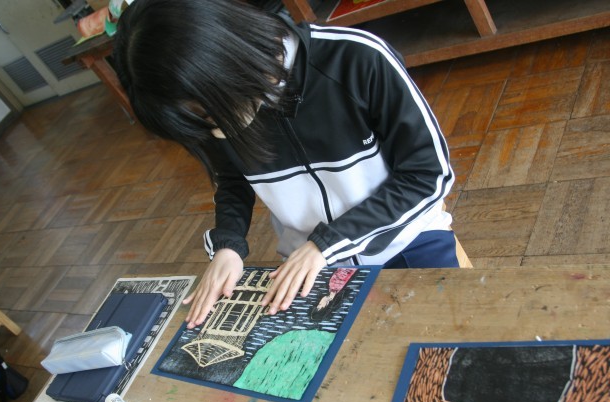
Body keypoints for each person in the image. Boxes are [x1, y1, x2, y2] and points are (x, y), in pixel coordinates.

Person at [113, 0, 457, 329]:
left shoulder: (355, 58)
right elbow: (232, 179)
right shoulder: (210, 107)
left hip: (405, 239)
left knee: (443, 338)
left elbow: (428, 175)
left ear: (223, 58)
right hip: (307, 265)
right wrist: (228, 245)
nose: (215, 131)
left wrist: (326, 244)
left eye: (206, 115)